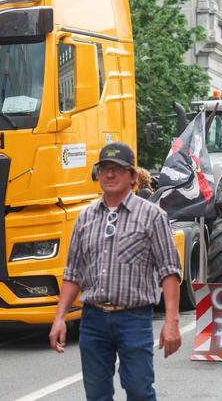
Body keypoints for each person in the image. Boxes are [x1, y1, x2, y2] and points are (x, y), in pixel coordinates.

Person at [49, 142, 182, 401]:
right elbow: (73, 273)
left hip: (134, 320)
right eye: (104, 169)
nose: (109, 175)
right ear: (97, 174)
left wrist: (172, 322)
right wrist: (59, 317)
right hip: (93, 321)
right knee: (96, 395)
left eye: (117, 169)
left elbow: (169, 271)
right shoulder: (85, 218)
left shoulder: (152, 216)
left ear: (132, 176)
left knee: (139, 391)